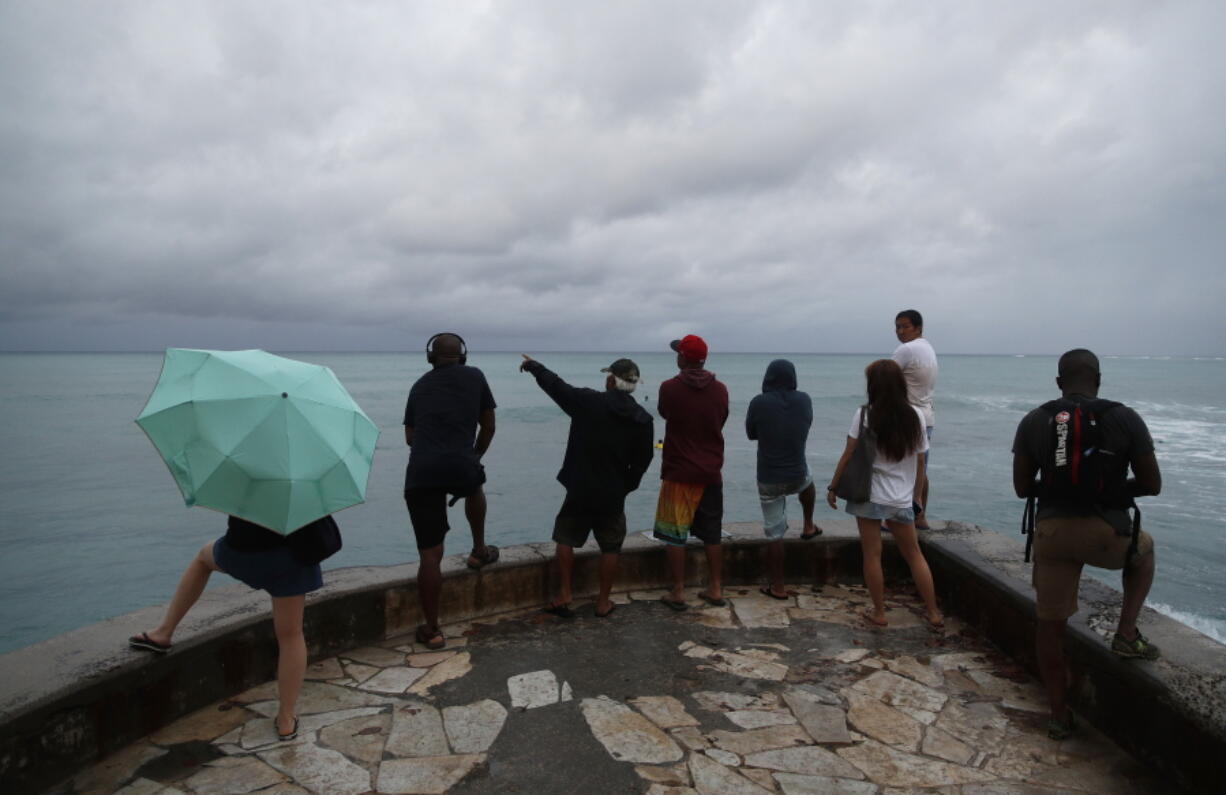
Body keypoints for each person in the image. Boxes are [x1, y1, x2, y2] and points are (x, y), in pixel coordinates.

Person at [1012, 348, 1162, 740]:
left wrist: (1062, 489)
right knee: (1143, 552)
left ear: (1059, 382)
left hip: (1053, 534)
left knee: (1050, 627)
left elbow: (1023, 488)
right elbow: (1151, 484)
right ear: (1098, 379)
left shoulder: (1034, 419)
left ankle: (1059, 715)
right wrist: (1111, 492)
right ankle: (1127, 633)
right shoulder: (1125, 417)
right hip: (1106, 535)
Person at [128, 513, 339, 742]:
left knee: (203, 559)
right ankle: (286, 720)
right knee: (290, 635)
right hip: (291, 560)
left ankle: (164, 632)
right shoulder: (304, 480)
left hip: (243, 553)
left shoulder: (247, 477)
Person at [519, 355, 654, 618]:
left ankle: (565, 593)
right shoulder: (642, 418)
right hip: (613, 492)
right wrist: (627, 486)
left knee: (565, 539)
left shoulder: (589, 401)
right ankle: (603, 602)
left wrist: (535, 367)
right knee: (611, 546)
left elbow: (557, 387)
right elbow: (643, 460)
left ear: (610, 380)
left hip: (580, 487)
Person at [827, 359, 942, 630]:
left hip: (870, 497)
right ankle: (934, 612)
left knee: (872, 555)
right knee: (914, 554)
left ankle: (879, 613)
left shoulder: (865, 414)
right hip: (901, 499)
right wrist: (917, 499)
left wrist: (833, 487)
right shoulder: (915, 416)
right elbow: (921, 462)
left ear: (873, 386)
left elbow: (849, 453)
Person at [403, 332, 497, 650]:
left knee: (430, 556)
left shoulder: (419, 386)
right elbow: (489, 426)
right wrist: (473, 457)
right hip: (461, 463)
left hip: (422, 471)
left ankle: (432, 630)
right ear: (463, 355)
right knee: (475, 484)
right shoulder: (475, 376)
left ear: (431, 357)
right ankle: (479, 550)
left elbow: (410, 438)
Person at [653, 334, 730, 610]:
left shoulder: (669, 388)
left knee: (675, 533)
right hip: (710, 470)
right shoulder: (720, 389)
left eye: (678, 353)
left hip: (679, 471)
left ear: (683, 358)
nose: (676, 356)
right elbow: (721, 419)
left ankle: (677, 591)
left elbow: (664, 413)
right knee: (712, 533)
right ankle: (716, 588)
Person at [746, 359, 820, 599]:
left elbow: (751, 434)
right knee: (808, 480)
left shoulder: (759, 402)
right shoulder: (804, 399)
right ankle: (809, 524)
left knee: (774, 532)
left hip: (769, 477)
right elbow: (807, 424)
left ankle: (777, 586)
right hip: (797, 474)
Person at [891, 309, 938, 529]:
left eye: (905, 326)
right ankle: (920, 517)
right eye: (897, 327)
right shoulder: (928, 348)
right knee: (921, 471)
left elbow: (884, 379)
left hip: (907, 419)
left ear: (918, 328)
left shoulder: (907, 350)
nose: (900, 331)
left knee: (900, 471)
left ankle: (896, 521)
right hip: (926, 417)